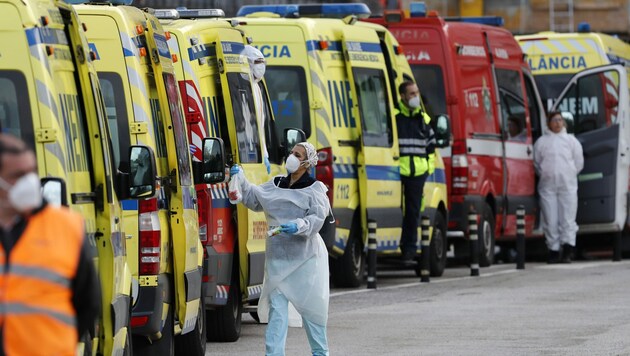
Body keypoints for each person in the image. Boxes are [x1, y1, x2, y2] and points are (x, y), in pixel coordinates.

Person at [0, 134, 100, 354]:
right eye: (18, 175)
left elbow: (88, 302)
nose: (29, 183)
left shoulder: (65, 226)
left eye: (31, 173)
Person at [230, 142, 330, 356]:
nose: (291, 156)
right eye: (292, 152)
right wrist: (240, 178)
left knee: (312, 312)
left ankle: (320, 352)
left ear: (307, 162)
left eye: (297, 154)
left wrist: (299, 225)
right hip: (277, 260)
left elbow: (317, 219)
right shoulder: (276, 184)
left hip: (305, 260)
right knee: (277, 312)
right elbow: (254, 198)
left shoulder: (314, 189)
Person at [534, 112, 584, 263]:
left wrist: (569, 174)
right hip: (547, 186)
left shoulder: (571, 141)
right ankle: (553, 250)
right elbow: (537, 164)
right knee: (550, 219)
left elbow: (578, 162)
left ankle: (568, 249)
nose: (557, 123)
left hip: (567, 185)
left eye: (560, 120)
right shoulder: (541, 142)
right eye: (554, 120)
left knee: (568, 219)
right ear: (549, 123)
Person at [395, 81, 436, 264]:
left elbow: (431, 149)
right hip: (397, 172)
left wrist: (428, 170)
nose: (415, 97)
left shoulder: (424, 119)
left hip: (418, 174)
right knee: (397, 210)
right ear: (402, 96)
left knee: (412, 212)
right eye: (412, 94)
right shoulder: (395, 118)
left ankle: (409, 249)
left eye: (417, 93)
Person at [242, 45, 271, 174]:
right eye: (257, 62)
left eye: (262, 62)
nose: (261, 66)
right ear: (247, 62)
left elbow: (260, 124)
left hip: (256, 153)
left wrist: (264, 153)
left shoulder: (257, 86)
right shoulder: (242, 86)